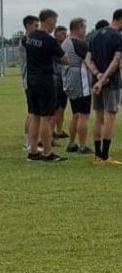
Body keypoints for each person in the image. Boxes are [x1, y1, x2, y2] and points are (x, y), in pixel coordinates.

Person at [24, 9, 69, 163]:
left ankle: (33, 151)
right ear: (48, 21)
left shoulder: (30, 37)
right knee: (46, 117)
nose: (54, 25)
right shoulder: (49, 40)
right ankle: (47, 152)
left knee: (35, 116)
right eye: (54, 22)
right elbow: (65, 59)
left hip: (31, 80)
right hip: (45, 81)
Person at [87, 8, 122, 165]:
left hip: (96, 81)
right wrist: (104, 78)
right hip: (111, 83)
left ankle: (97, 156)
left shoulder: (94, 36)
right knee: (109, 118)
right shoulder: (119, 38)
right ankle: (105, 156)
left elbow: (88, 59)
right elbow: (116, 61)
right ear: (121, 20)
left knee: (98, 118)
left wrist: (97, 76)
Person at [62, 18, 93, 154]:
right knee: (83, 114)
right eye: (84, 28)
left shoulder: (65, 42)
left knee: (75, 113)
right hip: (81, 80)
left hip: (69, 80)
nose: (85, 31)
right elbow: (89, 62)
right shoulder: (79, 44)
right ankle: (82, 145)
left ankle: (72, 143)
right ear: (79, 28)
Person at [20, 14, 39, 151]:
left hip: (30, 79)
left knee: (32, 111)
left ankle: (30, 141)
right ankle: (28, 142)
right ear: (28, 25)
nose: (37, 28)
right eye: (35, 25)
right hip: (30, 79)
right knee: (32, 112)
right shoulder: (26, 40)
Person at [52, 25, 69, 142]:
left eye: (65, 34)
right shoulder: (53, 45)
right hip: (56, 78)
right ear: (56, 34)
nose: (64, 36)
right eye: (62, 33)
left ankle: (59, 130)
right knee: (55, 107)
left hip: (64, 79)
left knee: (62, 107)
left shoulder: (65, 46)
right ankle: (51, 131)